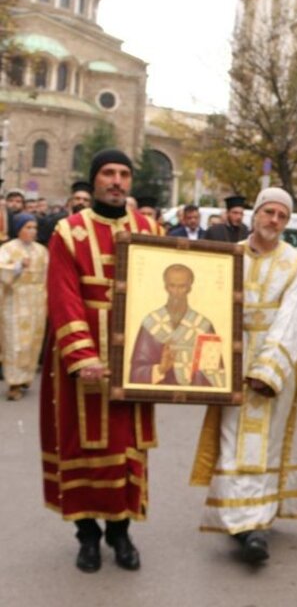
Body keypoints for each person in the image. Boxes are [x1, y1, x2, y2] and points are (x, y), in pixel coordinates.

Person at [40, 148, 163, 573]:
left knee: (127, 448)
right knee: (83, 446)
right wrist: (83, 355)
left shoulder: (149, 228)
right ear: (94, 180)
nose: (116, 181)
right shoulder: (68, 231)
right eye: (108, 173)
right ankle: (87, 535)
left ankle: (121, 532)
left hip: (135, 360)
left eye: (123, 174)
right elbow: (63, 296)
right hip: (83, 363)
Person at [190, 186, 297, 564]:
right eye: (268, 212)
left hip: (274, 370)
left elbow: (293, 320)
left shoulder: (296, 265)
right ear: (255, 214)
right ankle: (243, 522)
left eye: (281, 216)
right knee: (233, 443)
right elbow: (208, 309)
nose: (274, 220)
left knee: (266, 446)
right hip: (230, 365)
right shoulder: (229, 257)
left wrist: (268, 370)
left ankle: (255, 525)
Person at [128, 264, 225, 387]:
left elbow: (215, 373)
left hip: (194, 395)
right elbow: (136, 372)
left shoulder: (203, 325)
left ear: (189, 288)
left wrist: (196, 373)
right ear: (166, 287)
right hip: (158, 394)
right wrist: (161, 369)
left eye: (182, 286)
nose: (176, 292)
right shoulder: (151, 323)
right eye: (172, 286)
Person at [0, 213, 48, 400]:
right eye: (28, 227)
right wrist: (18, 266)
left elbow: (48, 276)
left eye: (34, 227)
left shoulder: (42, 251)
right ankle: (14, 383)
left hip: (36, 301)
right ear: (18, 229)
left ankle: (26, 377)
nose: (32, 231)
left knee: (32, 342)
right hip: (15, 301)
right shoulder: (8, 248)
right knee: (15, 342)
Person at [37, 181, 92, 245]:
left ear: (90, 204)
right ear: (71, 201)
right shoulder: (56, 220)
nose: (81, 202)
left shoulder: (92, 222)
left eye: (85, 200)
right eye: (77, 199)